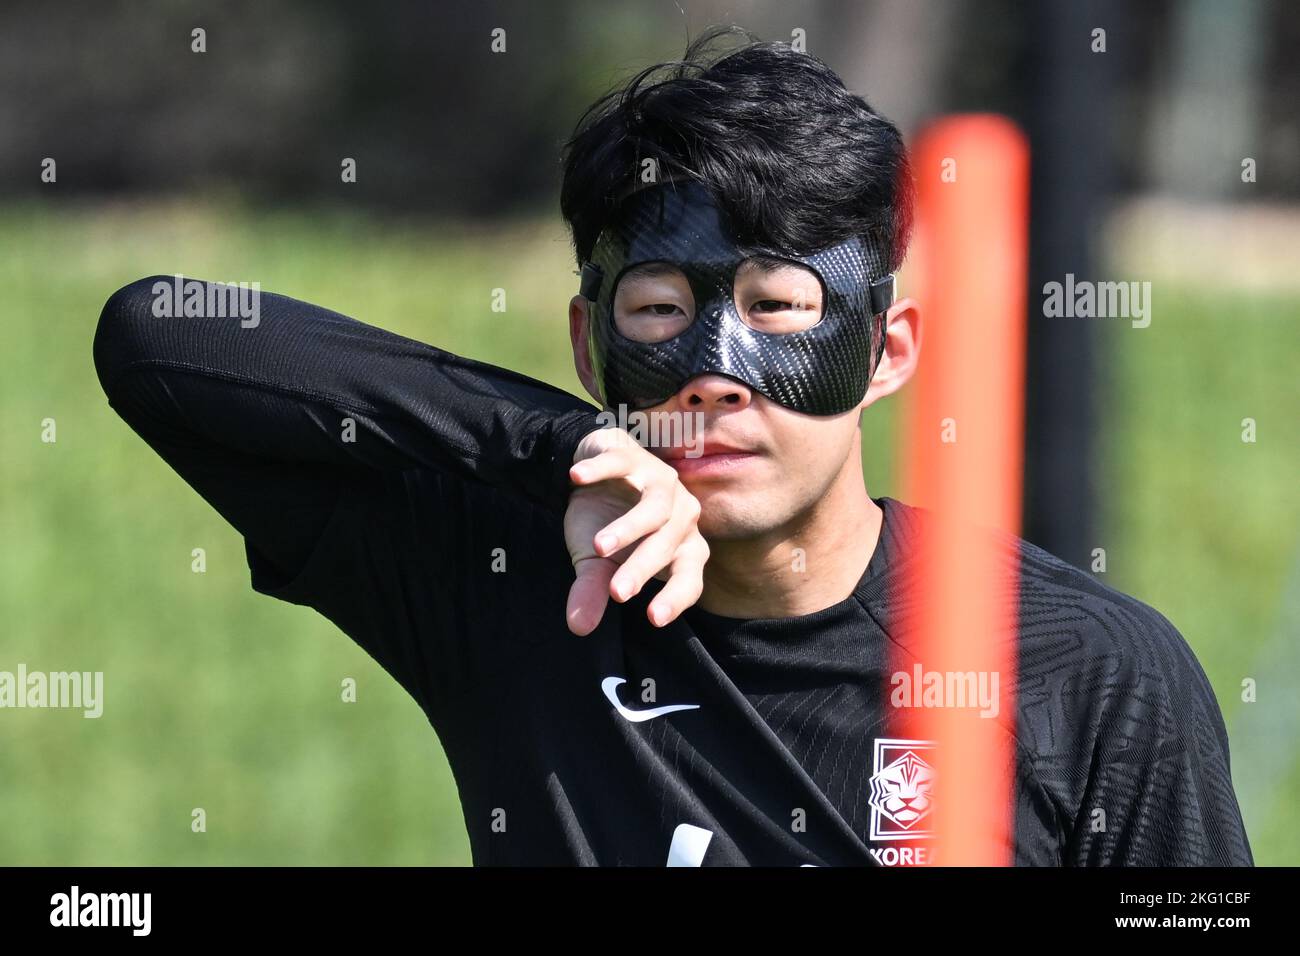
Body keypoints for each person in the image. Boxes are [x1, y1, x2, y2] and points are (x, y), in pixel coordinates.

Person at [92, 26, 1252, 866]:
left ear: (888, 348)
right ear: (590, 345)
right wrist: (556, 449)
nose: (714, 368)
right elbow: (159, 339)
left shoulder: (1087, 668)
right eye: (656, 311)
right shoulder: (515, 580)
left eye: (780, 306)